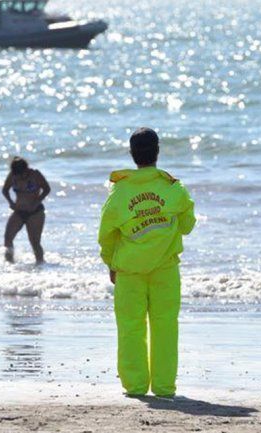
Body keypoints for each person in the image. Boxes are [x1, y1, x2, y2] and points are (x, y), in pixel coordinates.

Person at [98, 127, 196, 398]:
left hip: (129, 271)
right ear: (158, 152)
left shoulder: (119, 193)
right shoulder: (173, 188)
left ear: (132, 155)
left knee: (131, 326)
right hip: (165, 269)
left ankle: (136, 386)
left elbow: (106, 235)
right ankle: (164, 387)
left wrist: (111, 264)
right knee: (165, 326)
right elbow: (187, 225)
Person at [1, 157, 50, 264]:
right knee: (8, 238)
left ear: (26, 169)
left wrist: (36, 203)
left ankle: (40, 265)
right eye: (17, 174)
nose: (20, 176)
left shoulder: (35, 175)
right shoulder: (13, 175)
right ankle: (10, 265)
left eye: (21, 173)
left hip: (35, 212)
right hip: (19, 212)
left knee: (35, 242)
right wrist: (11, 203)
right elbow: (5, 190)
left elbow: (47, 189)